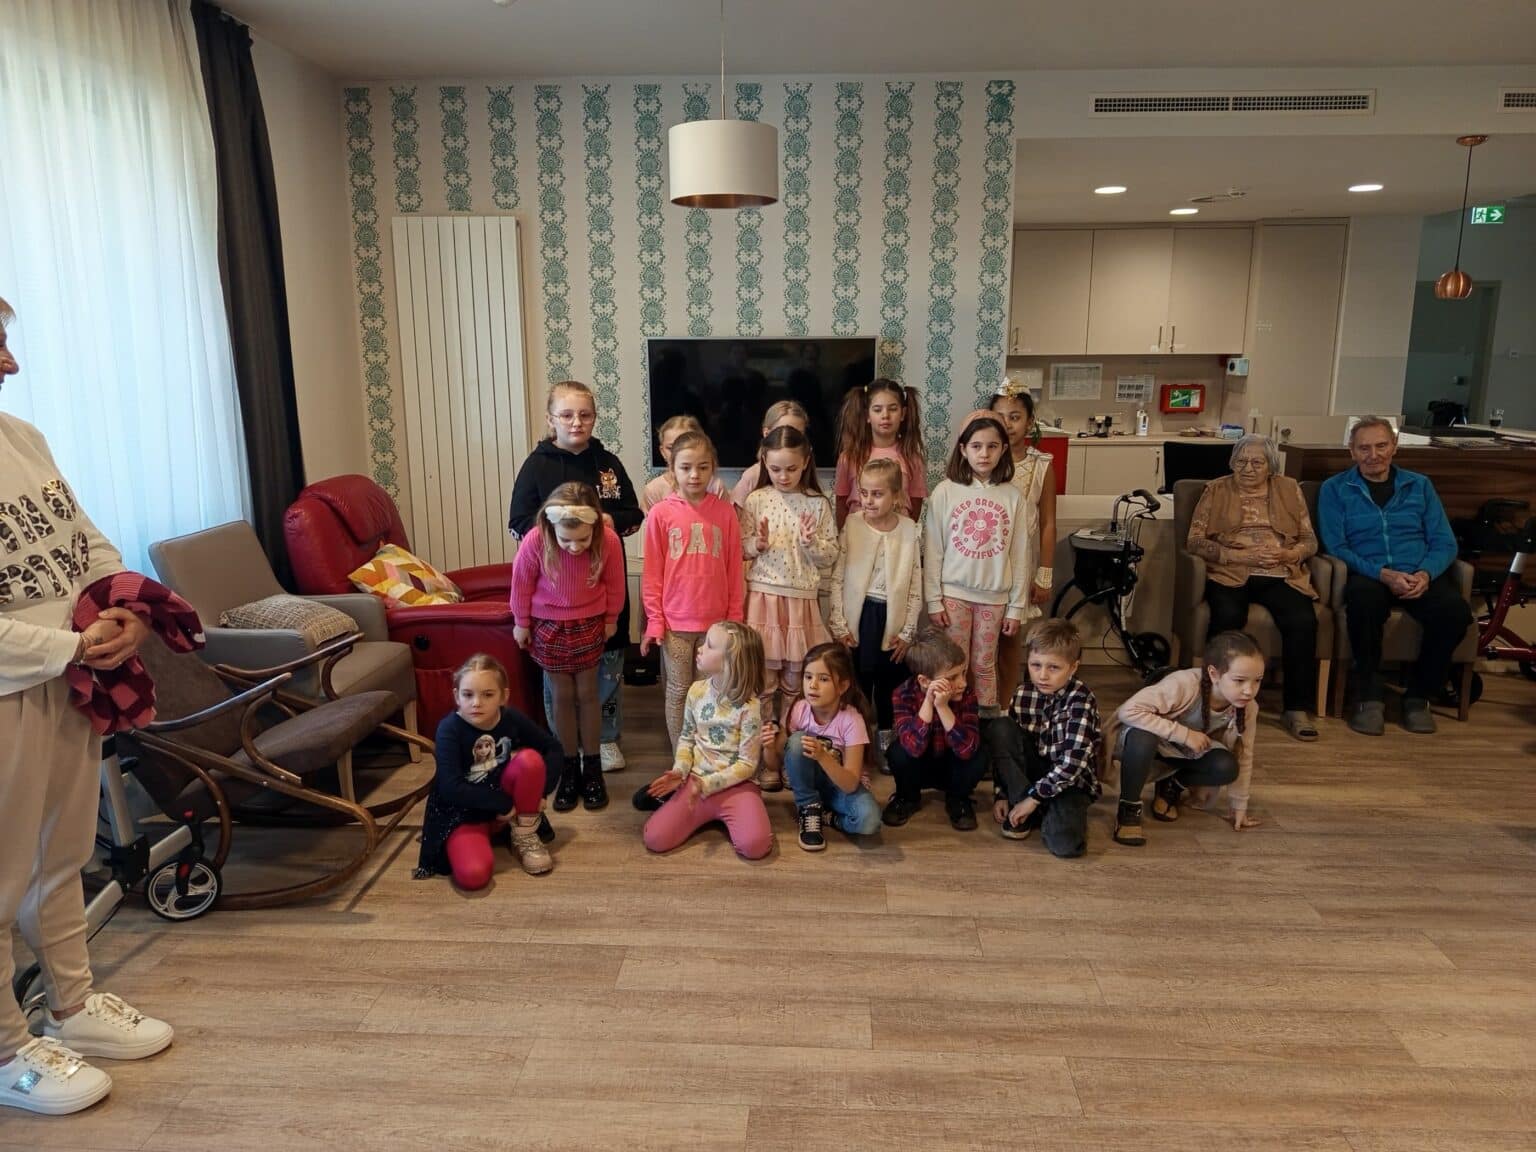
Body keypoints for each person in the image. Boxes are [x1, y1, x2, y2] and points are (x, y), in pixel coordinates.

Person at [1, 295, 173, 1117]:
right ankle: (8, 1052)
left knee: (59, 855)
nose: (11, 363)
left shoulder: (23, 439)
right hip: (13, 688)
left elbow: (86, 542)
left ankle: (71, 1008)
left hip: (66, 679)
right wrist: (70, 645)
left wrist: (125, 611)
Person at [507, 380, 641, 773]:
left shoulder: (608, 464)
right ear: (551, 419)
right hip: (554, 597)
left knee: (608, 665)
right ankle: (564, 744)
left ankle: (605, 739)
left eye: (585, 415)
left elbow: (634, 515)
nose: (576, 422)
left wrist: (606, 522)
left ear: (595, 418)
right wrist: (559, 531)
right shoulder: (537, 466)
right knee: (560, 680)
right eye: (566, 415)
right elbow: (517, 523)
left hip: (603, 586)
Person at [1319, 415, 1471, 736]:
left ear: (1395, 447)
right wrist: (1382, 574)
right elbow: (1336, 545)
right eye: (1364, 448)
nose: (1373, 455)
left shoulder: (1419, 485)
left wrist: (1425, 574)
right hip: (1369, 571)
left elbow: (1444, 542)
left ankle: (1418, 697)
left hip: (1418, 571)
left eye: (1381, 446)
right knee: (1363, 603)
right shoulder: (1335, 489)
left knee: (1454, 612)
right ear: (1352, 451)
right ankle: (1369, 697)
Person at [510, 483, 626, 811]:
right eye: (566, 540)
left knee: (588, 693)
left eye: (583, 540)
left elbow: (615, 583)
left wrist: (611, 618)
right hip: (548, 625)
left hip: (589, 622)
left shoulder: (609, 541)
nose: (575, 547)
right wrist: (521, 622)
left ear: (595, 527)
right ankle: (568, 767)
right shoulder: (536, 540)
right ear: (551, 528)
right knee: (561, 694)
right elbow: (521, 583)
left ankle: (592, 768)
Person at [741, 424, 838, 787]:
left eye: (791, 469)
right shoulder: (756, 499)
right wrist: (757, 545)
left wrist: (811, 543)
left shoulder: (818, 503)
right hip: (763, 600)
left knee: (796, 685)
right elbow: (741, 547)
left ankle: (789, 755)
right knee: (763, 684)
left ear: (806, 462)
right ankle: (766, 759)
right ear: (764, 462)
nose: (783, 476)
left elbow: (830, 556)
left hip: (801, 603)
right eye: (776, 468)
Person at [1105, 631, 1265, 846]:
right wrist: (1184, 734)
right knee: (1143, 737)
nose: (1249, 691)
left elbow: (1244, 754)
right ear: (1214, 674)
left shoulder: (1248, 707)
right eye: (1239, 680)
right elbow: (1129, 711)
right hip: (1149, 741)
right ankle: (1129, 807)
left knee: (1227, 766)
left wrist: (1239, 805)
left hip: (1184, 751)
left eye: (1257, 681)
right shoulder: (1184, 683)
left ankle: (1171, 785)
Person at [415, 654, 563, 887]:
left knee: (530, 760)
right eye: (468, 695)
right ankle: (489, 835)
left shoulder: (510, 718)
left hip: (506, 805)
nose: (476, 703)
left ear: (504, 696)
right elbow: (450, 787)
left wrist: (542, 792)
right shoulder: (449, 729)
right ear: (456, 696)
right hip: (464, 812)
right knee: (474, 875)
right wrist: (502, 804)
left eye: (487, 694)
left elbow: (553, 748)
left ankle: (524, 834)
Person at [639, 430, 745, 748]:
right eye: (686, 467)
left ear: (713, 468)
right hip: (676, 624)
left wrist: (734, 618)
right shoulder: (661, 514)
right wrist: (655, 620)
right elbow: (652, 574)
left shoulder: (725, 512)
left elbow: (734, 569)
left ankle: (705, 753)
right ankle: (681, 755)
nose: (694, 475)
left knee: (709, 691)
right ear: (672, 469)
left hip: (716, 625)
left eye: (703, 467)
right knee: (678, 690)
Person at [923, 410, 1032, 714]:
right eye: (976, 446)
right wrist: (933, 600)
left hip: (994, 599)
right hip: (953, 596)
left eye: (992, 446)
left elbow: (1020, 555)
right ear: (963, 449)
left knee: (984, 665)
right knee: (952, 665)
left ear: (1003, 449)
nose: (984, 454)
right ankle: (951, 723)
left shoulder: (1013, 497)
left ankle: (985, 725)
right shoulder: (945, 492)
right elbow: (933, 550)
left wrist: (1016, 607)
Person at [641, 622, 773, 861]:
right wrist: (680, 771)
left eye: (710, 645)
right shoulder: (696, 691)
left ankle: (675, 801)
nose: (700, 648)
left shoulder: (750, 707)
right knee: (654, 838)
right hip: (695, 783)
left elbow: (747, 764)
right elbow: (686, 738)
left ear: (731, 662)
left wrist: (706, 785)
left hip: (737, 786)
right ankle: (672, 797)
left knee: (755, 846)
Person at [827, 457, 922, 745]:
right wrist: (839, 623)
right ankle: (854, 739)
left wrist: (907, 631)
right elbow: (837, 578)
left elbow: (915, 585)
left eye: (877, 494)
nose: (868, 500)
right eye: (864, 493)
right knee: (856, 682)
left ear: (897, 496)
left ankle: (885, 739)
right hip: (860, 618)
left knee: (889, 683)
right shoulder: (853, 524)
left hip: (892, 620)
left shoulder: (908, 529)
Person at [992, 619, 1101, 858]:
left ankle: (1035, 807)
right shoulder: (1022, 693)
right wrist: (1002, 793)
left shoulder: (1081, 700)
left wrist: (1033, 799)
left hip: (1070, 781)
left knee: (1066, 846)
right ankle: (1023, 803)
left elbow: (1072, 764)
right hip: (1032, 773)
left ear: (1073, 667)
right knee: (1000, 727)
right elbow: (1008, 752)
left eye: (1054, 667)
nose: (1042, 675)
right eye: (1035, 665)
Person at [769, 642, 881, 851]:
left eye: (823, 679)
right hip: (809, 784)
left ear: (843, 686)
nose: (813, 685)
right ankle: (809, 808)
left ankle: (829, 818)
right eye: (808, 677)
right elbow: (778, 761)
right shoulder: (799, 708)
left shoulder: (852, 720)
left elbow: (850, 784)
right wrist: (768, 745)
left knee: (869, 820)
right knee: (797, 741)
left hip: (840, 788)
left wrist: (823, 756)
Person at [988, 382, 1056, 708]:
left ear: (1029, 422)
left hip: (1020, 565)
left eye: (1014, 417)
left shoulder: (1041, 465)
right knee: (981, 644)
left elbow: (1047, 523)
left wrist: (1044, 573)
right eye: (1000, 416)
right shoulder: (982, 460)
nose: (1007, 424)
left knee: (1010, 641)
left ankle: (1005, 707)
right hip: (985, 563)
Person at [881, 629, 984, 831]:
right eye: (952, 677)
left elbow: (967, 749)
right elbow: (912, 748)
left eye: (963, 673)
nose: (962, 683)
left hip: (953, 766)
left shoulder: (967, 695)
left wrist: (943, 708)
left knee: (979, 753)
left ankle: (958, 799)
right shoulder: (903, 694)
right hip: (920, 765)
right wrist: (929, 702)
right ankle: (907, 798)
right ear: (925, 681)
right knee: (897, 752)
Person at [832, 377, 927, 528]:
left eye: (893, 409)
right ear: (867, 415)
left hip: (897, 536)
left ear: (903, 414)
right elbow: (841, 504)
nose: (885, 415)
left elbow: (915, 506)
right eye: (877, 410)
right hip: (858, 535)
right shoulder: (849, 457)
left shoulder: (912, 458)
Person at [641, 414, 730, 513]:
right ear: (662, 451)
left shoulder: (715, 486)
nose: (678, 453)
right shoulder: (654, 490)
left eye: (686, 447)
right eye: (671, 448)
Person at [730, 399, 808, 506]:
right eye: (781, 432)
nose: (790, 439)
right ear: (766, 433)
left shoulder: (805, 470)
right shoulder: (753, 475)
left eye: (798, 434)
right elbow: (733, 512)